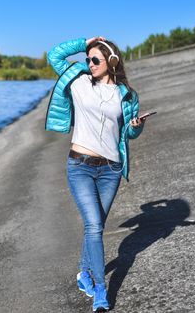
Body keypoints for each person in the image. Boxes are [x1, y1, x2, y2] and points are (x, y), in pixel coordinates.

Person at [46, 36, 146, 312]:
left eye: (95, 59)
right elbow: (54, 55)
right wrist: (85, 43)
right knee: (94, 226)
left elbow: (129, 133)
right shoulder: (78, 83)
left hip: (110, 170)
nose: (88, 63)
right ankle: (100, 290)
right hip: (80, 166)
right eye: (87, 59)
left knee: (96, 226)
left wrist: (136, 126)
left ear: (111, 61)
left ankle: (82, 274)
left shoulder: (126, 94)